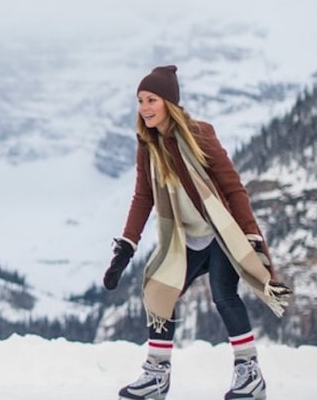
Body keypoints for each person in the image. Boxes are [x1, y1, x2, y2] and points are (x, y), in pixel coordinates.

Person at [103, 65, 293, 400]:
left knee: (223, 294)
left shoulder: (200, 134)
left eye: (151, 100)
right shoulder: (148, 146)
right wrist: (126, 247)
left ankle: (250, 373)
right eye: (140, 101)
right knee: (159, 293)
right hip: (185, 238)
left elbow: (234, 189)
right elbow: (143, 197)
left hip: (219, 234)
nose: (144, 108)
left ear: (169, 103)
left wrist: (251, 237)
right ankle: (156, 376)